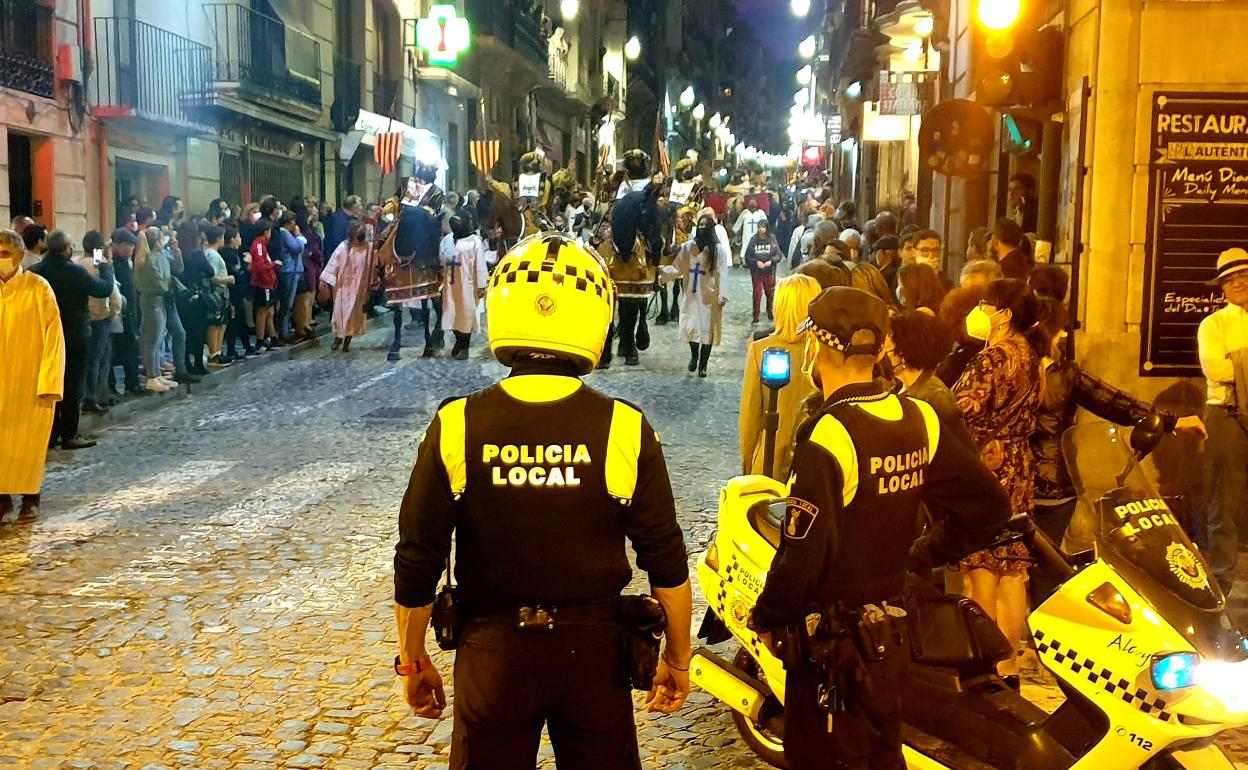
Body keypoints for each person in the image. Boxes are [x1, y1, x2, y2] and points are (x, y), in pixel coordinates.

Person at [393, 234, 693, 768]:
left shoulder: (457, 425)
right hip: (594, 660)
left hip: (492, 654)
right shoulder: (624, 426)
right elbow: (666, 560)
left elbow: (417, 559)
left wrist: (413, 662)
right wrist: (678, 656)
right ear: (595, 318)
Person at [749, 286, 1011, 770]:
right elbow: (989, 509)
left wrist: (767, 615)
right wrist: (918, 556)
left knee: (825, 758)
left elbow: (804, 550)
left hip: (830, 645)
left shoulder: (830, 430)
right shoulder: (920, 417)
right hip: (891, 632)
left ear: (816, 348)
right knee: (882, 754)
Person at [951, 278, 1046, 688]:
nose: (979, 313)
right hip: (1020, 464)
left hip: (987, 464)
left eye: (985, 305)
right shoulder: (1031, 355)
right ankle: (1009, 664)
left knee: (981, 569)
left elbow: (959, 409)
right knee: (1011, 568)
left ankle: (983, 662)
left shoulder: (992, 359)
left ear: (1004, 315)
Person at [0, 229, 65, 522]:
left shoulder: (39, 288)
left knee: (28, 445)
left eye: (5, 254)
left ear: (19, 255)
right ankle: (2, 499)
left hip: (30, 385)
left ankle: (30, 497)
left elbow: (54, 337)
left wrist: (50, 380)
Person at [30, 230, 116, 450]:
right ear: (67, 248)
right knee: (72, 385)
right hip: (75, 334)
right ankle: (69, 434)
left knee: (48, 386)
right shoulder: (74, 272)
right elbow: (102, 289)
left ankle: (49, 434)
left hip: (44, 335)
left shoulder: (34, 272)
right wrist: (105, 265)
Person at [1196, 247, 1248, 593]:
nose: (1238, 283)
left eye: (1243, 275)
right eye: (1230, 279)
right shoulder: (1213, 324)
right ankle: (1224, 579)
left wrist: (1240, 361)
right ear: (1222, 288)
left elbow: (1231, 368)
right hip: (1227, 415)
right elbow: (1215, 369)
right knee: (1224, 501)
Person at [739, 274, 822, 478]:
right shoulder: (823, 351)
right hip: (815, 457)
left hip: (770, 458)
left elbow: (750, 416)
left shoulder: (761, 350)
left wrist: (747, 465)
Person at [884, 311, 976, 452]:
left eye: (888, 351)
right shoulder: (899, 387)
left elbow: (962, 450)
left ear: (904, 352)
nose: (883, 357)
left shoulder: (935, 396)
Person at [606, 149, 661, 368]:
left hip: (626, 235)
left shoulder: (641, 187)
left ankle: (613, 348)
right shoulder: (632, 187)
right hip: (624, 237)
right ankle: (621, 346)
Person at [663, 213, 730, 378]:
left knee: (707, 331)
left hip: (710, 298)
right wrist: (660, 275)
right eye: (700, 225)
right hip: (692, 296)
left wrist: (722, 295)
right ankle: (694, 355)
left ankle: (703, 365)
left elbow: (723, 273)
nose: (702, 229)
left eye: (705, 226)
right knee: (692, 328)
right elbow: (677, 267)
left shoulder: (718, 251)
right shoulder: (688, 248)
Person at [76, 231, 123, 414]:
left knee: (84, 359)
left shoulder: (76, 263)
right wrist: (113, 313)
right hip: (101, 317)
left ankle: (84, 396)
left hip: (82, 317)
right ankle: (93, 396)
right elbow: (114, 295)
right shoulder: (101, 266)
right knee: (98, 359)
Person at [439, 212, 488, 360]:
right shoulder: (447, 240)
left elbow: (480, 264)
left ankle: (464, 346)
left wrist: (481, 285)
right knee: (451, 313)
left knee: (465, 315)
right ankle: (459, 342)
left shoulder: (474, 241)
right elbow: (441, 258)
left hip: (467, 284)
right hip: (450, 283)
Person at [134, 228, 177, 393]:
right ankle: (152, 376)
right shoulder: (148, 259)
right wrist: (168, 286)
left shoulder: (158, 256)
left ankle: (157, 373)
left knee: (158, 338)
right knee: (152, 340)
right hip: (152, 301)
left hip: (159, 300)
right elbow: (158, 280)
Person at [321, 220, 373, 352]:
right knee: (340, 312)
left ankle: (347, 341)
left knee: (353, 314)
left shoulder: (368, 248)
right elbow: (333, 265)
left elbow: (373, 263)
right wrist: (326, 280)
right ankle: (338, 337)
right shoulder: (343, 248)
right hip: (344, 286)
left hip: (359, 287)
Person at [107, 228, 142, 398]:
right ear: (119, 245)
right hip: (115, 312)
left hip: (129, 311)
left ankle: (132, 383)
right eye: (129, 247)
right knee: (112, 351)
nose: (131, 251)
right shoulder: (108, 259)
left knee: (131, 348)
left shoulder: (126, 261)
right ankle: (111, 387)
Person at [221, 226, 258, 359]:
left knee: (239, 319)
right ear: (232, 240)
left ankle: (246, 346)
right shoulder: (230, 255)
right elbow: (239, 274)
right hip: (234, 292)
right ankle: (233, 349)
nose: (240, 239)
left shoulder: (231, 253)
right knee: (235, 320)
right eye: (238, 237)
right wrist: (246, 264)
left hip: (236, 291)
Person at [202, 226, 234, 367]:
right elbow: (212, 276)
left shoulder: (210, 253)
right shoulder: (213, 255)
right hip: (217, 292)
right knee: (215, 323)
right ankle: (214, 353)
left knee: (221, 323)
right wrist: (228, 279)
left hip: (220, 293)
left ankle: (218, 351)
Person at [273, 212, 307, 342]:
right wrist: (299, 236)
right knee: (287, 302)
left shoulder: (287, 233)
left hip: (294, 269)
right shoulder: (284, 233)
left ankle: (286, 329)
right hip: (289, 270)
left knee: (290, 302)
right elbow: (297, 247)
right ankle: (284, 331)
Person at [249, 220, 281, 351]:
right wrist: (274, 264)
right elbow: (260, 266)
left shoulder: (262, 245)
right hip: (263, 283)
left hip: (268, 282)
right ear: (266, 231)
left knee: (270, 311)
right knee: (262, 312)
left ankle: (273, 337)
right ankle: (260, 340)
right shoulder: (259, 246)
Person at [744, 219, 782, 324]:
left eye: (763, 227)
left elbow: (778, 255)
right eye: (759, 227)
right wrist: (756, 262)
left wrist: (771, 261)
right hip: (757, 272)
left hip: (769, 271)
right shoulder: (753, 240)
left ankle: (770, 311)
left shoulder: (772, 239)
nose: (761, 229)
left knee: (770, 293)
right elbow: (747, 256)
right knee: (757, 293)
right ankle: (756, 314)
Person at [734, 198, 768, 264]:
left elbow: (765, 222)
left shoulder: (760, 212)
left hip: (757, 233)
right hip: (746, 233)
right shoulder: (745, 212)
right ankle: (744, 261)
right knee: (746, 245)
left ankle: (757, 260)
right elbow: (739, 222)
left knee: (756, 246)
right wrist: (736, 231)